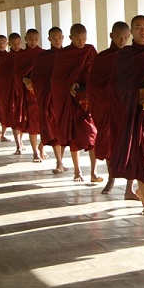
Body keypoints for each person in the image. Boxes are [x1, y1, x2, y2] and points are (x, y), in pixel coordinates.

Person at [109, 15, 144, 215]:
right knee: (137, 151)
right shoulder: (124, 55)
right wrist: (133, 92)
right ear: (131, 31)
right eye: (139, 27)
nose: (143, 31)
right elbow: (115, 85)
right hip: (131, 110)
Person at [87, 21, 138, 199]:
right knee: (110, 142)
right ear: (111, 36)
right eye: (118, 37)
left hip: (126, 108)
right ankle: (111, 178)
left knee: (130, 145)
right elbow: (93, 82)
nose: (122, 41)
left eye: (125, 38)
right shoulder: (103, 58)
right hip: (107, 107)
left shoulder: (132, 56)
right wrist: (108, 90)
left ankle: (129, 188)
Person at [51, 23, 102, 182]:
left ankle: (93, 173)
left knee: (93, 136)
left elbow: (98, 71)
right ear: (71, 38)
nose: (81, 42)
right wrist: (69, 85)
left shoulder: (90, 50)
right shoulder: (64, 54)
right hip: (72, 102)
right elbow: (57, 79)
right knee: (74, 138)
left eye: (84, 39)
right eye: (78, 39)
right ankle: (77, 171)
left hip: (88, 99)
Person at [29, 27, 67, 173]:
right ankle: (59, 162)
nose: (57, 40)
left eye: (59, 37)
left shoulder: (68, 55)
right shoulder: (43, 57)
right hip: (50, 98)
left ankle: (60, 161)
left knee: (63, 130)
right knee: (53, 127)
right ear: (49, 39)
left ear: (63, 37)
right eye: (53, 37)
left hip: (64, 98)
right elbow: (36, 77)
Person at [16, 28, 45, 162]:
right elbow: (15, 74)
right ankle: (35, 152)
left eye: (36, 39)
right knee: (33, 124)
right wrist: (24, 80)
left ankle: (42, 147)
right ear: (25, 39)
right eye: (30, 39)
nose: (33, 42)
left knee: (46, 123)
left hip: (42, 94)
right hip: (28, 94)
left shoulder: (44, 54)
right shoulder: (21, 55)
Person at [0, 33, 24, 153]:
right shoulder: (6, 57)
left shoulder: (25, 55)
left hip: (23, 92)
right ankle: (18, 145)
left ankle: (21, 141)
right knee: (14, 117)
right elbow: (1, 76)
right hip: (10, 92)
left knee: (22, 118)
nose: (16, 46)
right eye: (13, 44)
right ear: (9, 44)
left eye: (18, 43)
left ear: (21, 43)